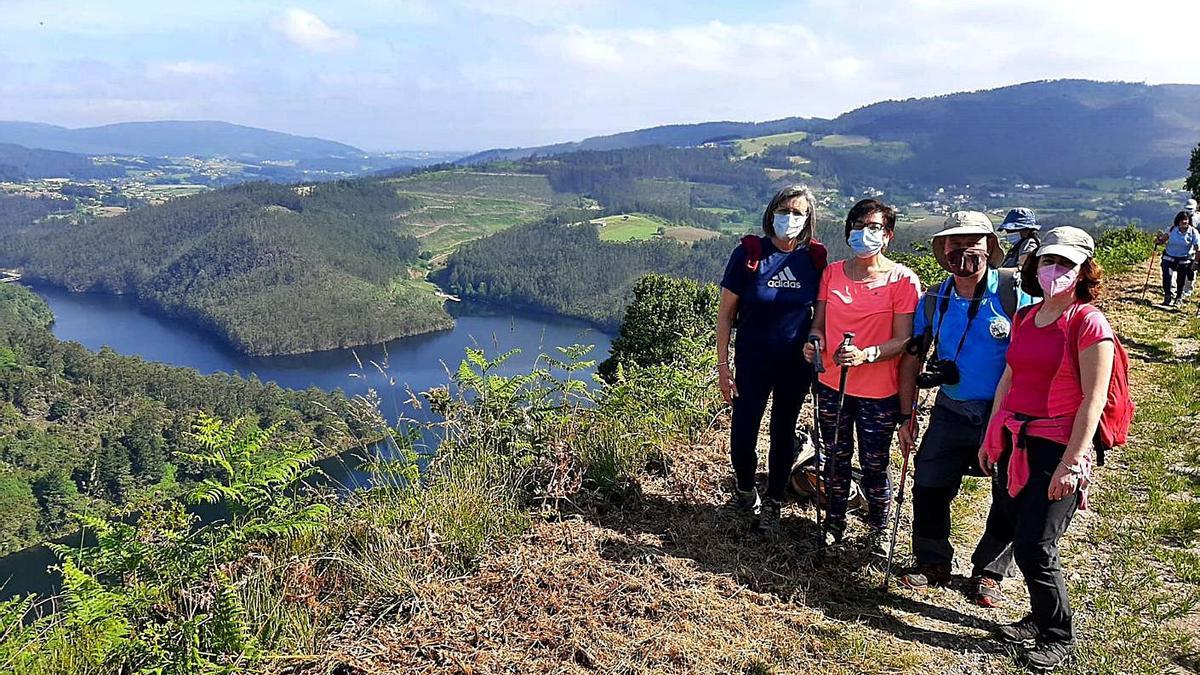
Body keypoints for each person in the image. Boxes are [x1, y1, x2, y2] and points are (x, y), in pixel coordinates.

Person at [975, 226, 1114, 671]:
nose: (1055, 270)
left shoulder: (1088, 322)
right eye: (1048, 261)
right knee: (1019, 530)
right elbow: (1010, 378)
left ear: (1083, 271)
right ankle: (1038, 619)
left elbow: (1093, 398)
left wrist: (1074, 461)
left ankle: (1059, 635)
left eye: (1066, 264)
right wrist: (993, 432)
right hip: (1018, 440)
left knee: (1037, 545)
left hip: (1058, 445)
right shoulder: (1026, 317)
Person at [894, 212, 1036, 603]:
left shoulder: (1014, 295)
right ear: (942, 251)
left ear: (990, 248)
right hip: (951, 408)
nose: (963, 252)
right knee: (928, 483)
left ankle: (990, 571)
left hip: (1005, 413)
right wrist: (906, 416)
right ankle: (931, 562)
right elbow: (912, 358)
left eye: (973, 243)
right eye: (954, 245)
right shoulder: (935, 300)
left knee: (1009, 492)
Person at [802, 198, 921, 555]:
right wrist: (814, 344)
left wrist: (867, 354)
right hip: (831, 384)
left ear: (888, 236)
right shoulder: (833, 273)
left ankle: (879, 526)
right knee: (835, 458)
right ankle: (834, 521)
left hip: (879, 389)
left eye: (873, 227)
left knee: (874, 461)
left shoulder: (902, 280)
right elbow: (818, 326)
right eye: (857, 226)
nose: (863, 233)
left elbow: (904, 339)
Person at [717, 184, 827, 532]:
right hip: (752, 361)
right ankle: (746, 491)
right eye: (784, 211)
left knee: (783, 432)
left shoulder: (814, 260)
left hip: (795, 365)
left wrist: (816, 344)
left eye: (797, 212)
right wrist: (723, 366)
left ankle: (775, 500)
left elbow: (821, 316)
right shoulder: (750, 254)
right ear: (771, 213)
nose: (790, 218)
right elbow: (724, 315)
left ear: (808, 219)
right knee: (743, 432)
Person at [1157, 211, 1199, 307]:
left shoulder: (1193, 232)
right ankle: (1167, 296)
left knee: (1181, 279)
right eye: (1181, 220)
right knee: (1167, 277)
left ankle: (1178, 298)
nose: (1183, 222)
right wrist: (1158, 241)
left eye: (1186, 219)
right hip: (1169, 257)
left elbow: (1198, 248)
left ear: (1189, 221)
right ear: (1178, 221)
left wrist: (1196, 262)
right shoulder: (1171, 229)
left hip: (1184, 259)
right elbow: (1163, 240)